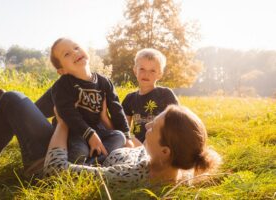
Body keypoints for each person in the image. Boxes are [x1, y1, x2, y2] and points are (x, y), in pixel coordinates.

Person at [44, 104, 221, 190]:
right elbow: (140, 149)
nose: (146, 126)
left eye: (153, 127)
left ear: (165, 151)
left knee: (15, 100)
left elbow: (55, 169)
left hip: (83, 156)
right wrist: (105, 118)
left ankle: (33, 164)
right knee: (120, 135)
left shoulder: (129, 175)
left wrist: (63, 123)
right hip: (114, 146)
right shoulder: (178, 165)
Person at [48, 38, 134, 164]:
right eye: (67, 54)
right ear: (62, 71)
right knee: (79, 152)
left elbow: (117, 110)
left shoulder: (104, 82)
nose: (75, 52)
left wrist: (127, 137)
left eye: (76, 47)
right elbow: (67, 113)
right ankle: (81, 167)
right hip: (75, 132)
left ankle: (92, 164)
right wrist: (89, 135)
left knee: (118, 137)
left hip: (98, 130)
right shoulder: (62, 85)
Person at [122, 48, 179, 145]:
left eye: (152, 71)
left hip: (160, 144)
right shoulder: (129, 99)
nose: (146, 74)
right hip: (137, 145)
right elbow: (124, 127)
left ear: (160, 74)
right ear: (135, 70)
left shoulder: (165, 94)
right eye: (142, 69)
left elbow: (177, 121)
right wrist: (131, 141)